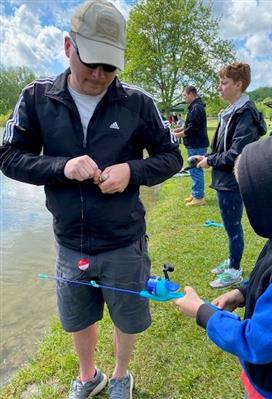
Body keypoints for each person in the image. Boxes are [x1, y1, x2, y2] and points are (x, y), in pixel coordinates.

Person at [0, 1, 183, 398]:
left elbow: (172, 157)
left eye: (110, 66)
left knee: (127, 316)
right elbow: (9, 157)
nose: (100, 75)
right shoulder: (36, 98)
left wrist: (131, 171)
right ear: (69, 47)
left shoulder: (138, 102)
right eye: (92, 63)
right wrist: (61, 167)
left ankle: (120, 376)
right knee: (77, 317)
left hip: (123, 240)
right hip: (70, 240)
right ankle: (89, 376)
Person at [174, 130, 272, 399]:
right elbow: (267, 275)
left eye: (252, 197)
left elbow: (257, 341)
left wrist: (203, 312)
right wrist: (242, 293)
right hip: (267, 375)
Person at [195, 62, 266, 288]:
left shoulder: (245, 114)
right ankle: (232, 260)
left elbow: (237, 153)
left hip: (233, 181)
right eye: (220, 82)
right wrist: (207, 156)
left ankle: (235, 270)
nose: (219, 87)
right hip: (224, 180)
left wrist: (210, 161)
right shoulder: (232, 111)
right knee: (229, 226)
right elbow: (222, 147)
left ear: (239, 84)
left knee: (233, 226)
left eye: (224, 83)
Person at [173, 86, 209, 206]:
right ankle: (195, 194)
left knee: (196, 170)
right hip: (195, 143)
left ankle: (198, 197)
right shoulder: (194, 107)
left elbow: (192, 129)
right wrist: (178, 130)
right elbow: (190, 125)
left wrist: (176, 136)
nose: (183, 98)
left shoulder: (196, 108)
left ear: (191, 94)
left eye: (184, 95)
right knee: (194, 170)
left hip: (197, 144)